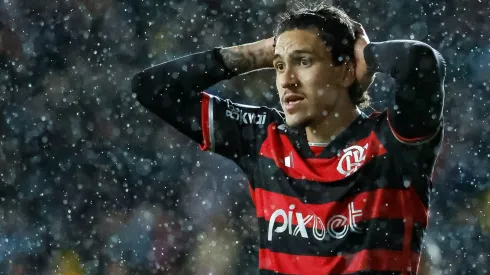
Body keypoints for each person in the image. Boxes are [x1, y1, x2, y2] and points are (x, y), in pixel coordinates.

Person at [132, 4, 446, 275]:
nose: (286, 79)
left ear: (346, 71)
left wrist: (366, 53)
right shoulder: (263, 138)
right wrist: (257, 54)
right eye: (280, 65)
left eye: (304, 61)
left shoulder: (393, 142)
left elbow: (422, 63)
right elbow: (151, 88)